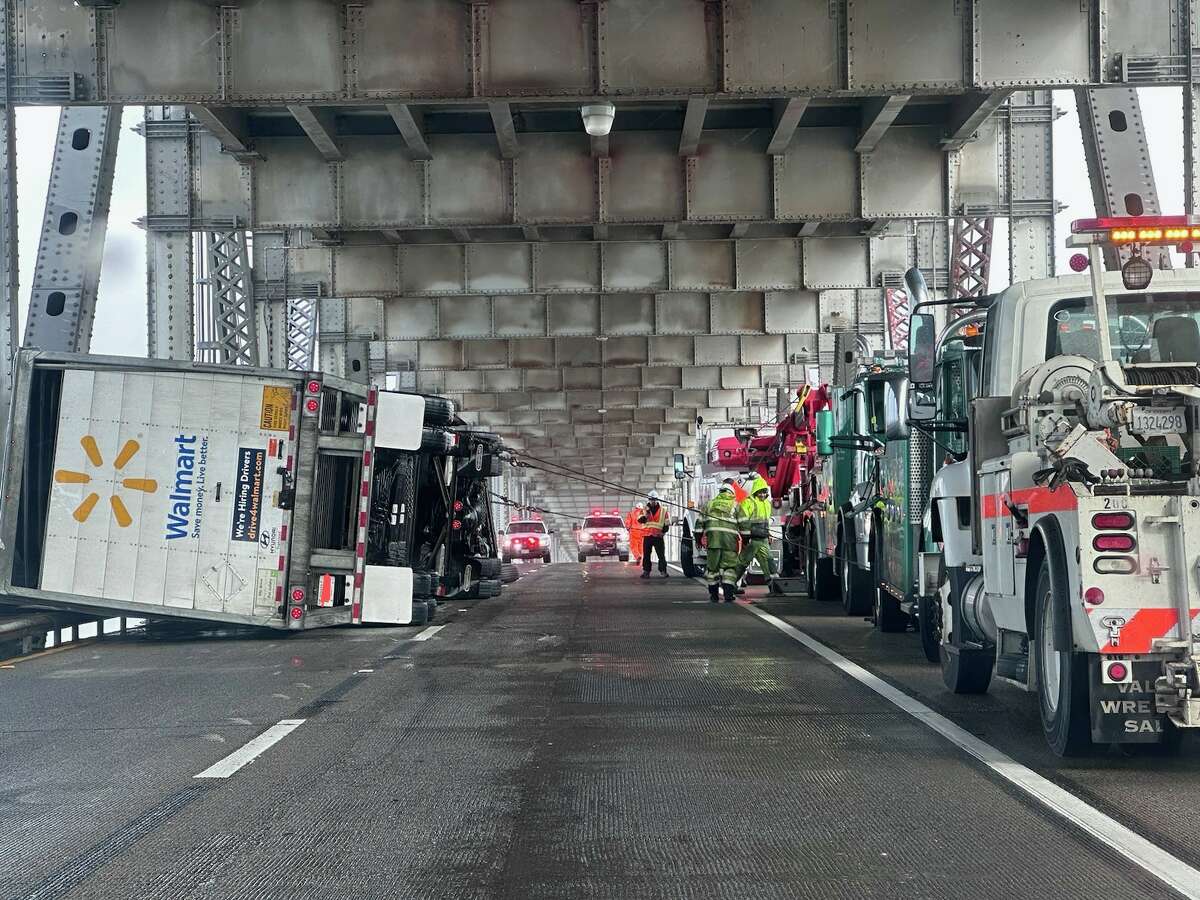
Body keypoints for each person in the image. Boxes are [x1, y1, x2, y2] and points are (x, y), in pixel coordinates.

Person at [696, 482, 744, 602]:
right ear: (732, 493)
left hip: (713, 542)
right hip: (729, 543)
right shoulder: (736, 505)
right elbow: (744, 524)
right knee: (729, 569)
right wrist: (746, 538)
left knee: (712, 570)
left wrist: (698, 539)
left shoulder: (709, 504)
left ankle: (714, 595)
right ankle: (728, 595)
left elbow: (699, 524)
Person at [735, 475, 774, 591]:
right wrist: (746, 536)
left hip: (763, 539)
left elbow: (766, 521)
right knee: (742, 563)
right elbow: (743, 519)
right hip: (752, 539)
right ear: (755, 492)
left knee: (769, 562)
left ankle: (774, 587)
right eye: (759, 492)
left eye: (764, 492)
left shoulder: (767, 503)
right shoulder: (748, 502)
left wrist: (769, 534)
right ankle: (730, 584)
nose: (762, 495)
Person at [638, 491, 669, 578]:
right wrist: (646, 515)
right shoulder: (644, 510)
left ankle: (663, 571)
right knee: (646, 555)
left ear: (657, 499)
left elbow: (666, 523)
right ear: (648, 499)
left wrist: (663, 532)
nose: (653, 501)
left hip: (658, 536)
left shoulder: (663, 510)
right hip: (648, 536)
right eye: (651, 499)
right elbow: (640, 520)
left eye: (654, 499)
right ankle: (646, 571)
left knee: (661, 555)